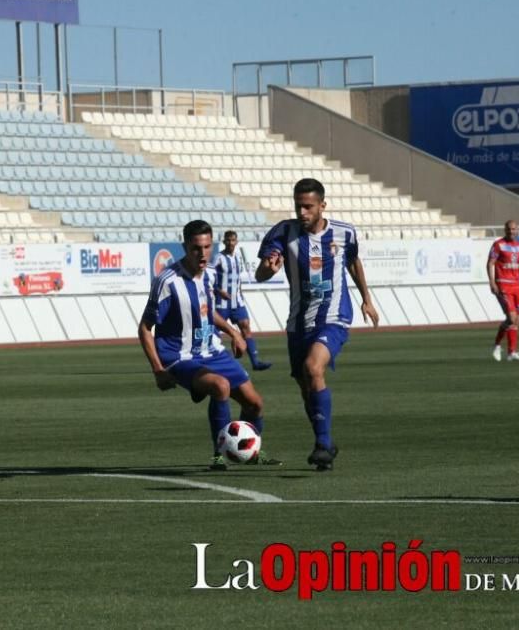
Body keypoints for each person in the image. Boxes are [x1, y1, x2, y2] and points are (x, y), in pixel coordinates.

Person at [255, 177, 379, 471]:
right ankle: (324, 442)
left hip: (334, 317)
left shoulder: (344, 233)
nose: (302, 212)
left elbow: (353, 262)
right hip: (298, 322)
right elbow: (261, 273)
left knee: (313, 368)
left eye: (308, 207)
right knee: (305, 385)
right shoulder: (284, 232)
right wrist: (267, 269)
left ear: (322, 205)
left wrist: (366, 298)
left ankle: (322, 444)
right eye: (298, 206)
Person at [138, 220, 281, 470]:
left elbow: (208, 312)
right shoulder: (167, 281)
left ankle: (251, 452)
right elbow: (144, 328)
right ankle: (218, 454)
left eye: (206, 247)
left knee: (255, 403)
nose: (202, 253)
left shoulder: (211, 274)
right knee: (220, 386)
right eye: (196, 248)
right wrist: (158, 370)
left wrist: (233, 332)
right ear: (185, 246)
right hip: (178, 356)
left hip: (212, 351)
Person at [211, 229, 272, 371]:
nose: (231, 243)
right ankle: (213, 362)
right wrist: (219, 291)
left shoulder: (238, 256)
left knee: (246, 327)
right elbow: (209, 278)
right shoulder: (218, 258)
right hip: (222, 302)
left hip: (237, 301)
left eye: (233, 240)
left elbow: (238, 280)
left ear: (236, 242)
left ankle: (255, 362)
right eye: (228, 240)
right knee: (215, 332)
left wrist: (241, 294)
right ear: (224, 241)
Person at [488, 220, 519, 362]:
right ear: (505, 230)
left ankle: (511, 352)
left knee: (515, 320)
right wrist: (492, 282)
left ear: (517, 230)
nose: (511, 231)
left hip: (516, 286)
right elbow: (490, 263)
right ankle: (496, 345)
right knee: (512, 317)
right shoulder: (498, 245)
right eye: (509, 229)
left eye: (513, 229)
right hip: (503, 285)